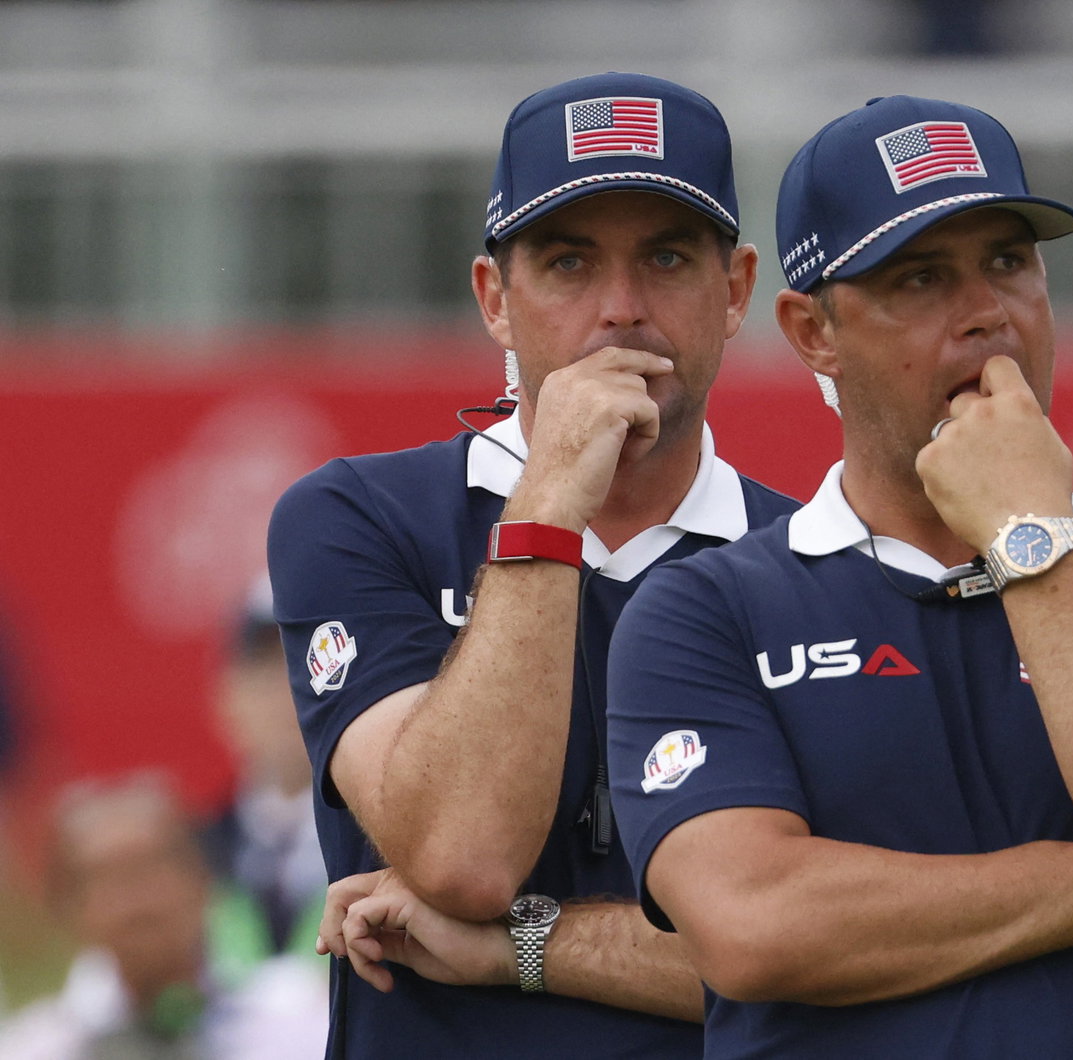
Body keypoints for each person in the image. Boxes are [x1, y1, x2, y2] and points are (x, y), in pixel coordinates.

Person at [596, 94, 1073, 1057]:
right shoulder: (704, 609)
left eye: (1009, 263)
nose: (985, 316)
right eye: (921, 279)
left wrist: (1029, 532)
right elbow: (755, 927)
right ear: (812, 332)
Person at [268, 72, 795, 1057]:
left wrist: (526, 940)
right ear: (494, 300)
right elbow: (462, 856)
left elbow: (823, 954)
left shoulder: (813, 560)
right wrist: (550, 499)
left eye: (668, 257)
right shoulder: (357, 517)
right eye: (566, 264)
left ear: (733, 293)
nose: (620, 309)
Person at [0, 772, 327, 1059]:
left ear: (203, 878)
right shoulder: (31, 1049)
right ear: (66, 907)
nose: (135, 901)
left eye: (151, 867)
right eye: (106, 877)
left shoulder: (305, 1025)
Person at [200, 573, 325, 964]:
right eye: (267, 667)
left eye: (309, 659)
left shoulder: (398, 848)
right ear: (226, 697)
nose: (291, 687)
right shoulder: (192, 857)